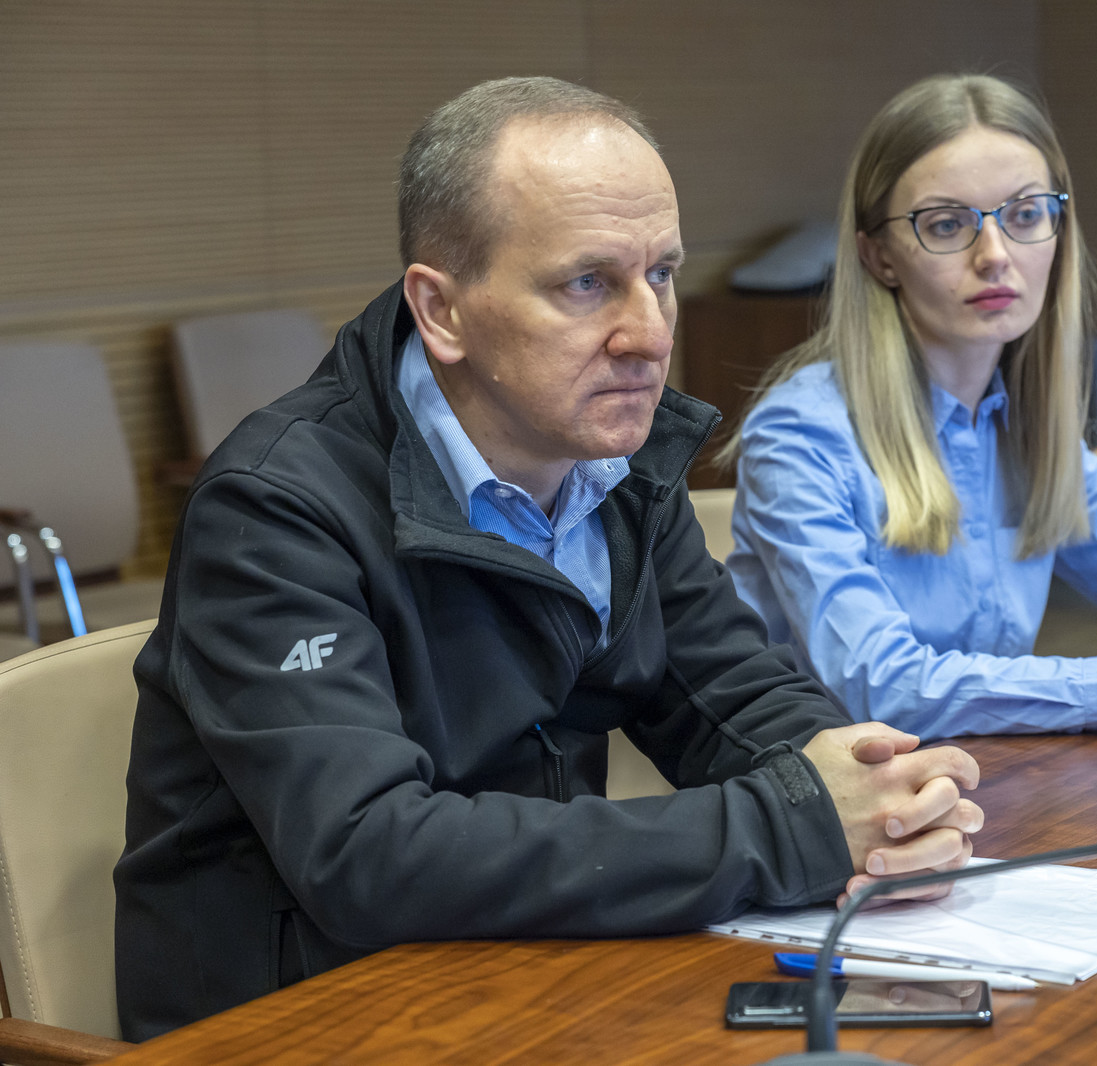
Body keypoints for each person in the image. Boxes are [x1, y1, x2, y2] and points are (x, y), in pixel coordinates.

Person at [113, 77, 983, 1041]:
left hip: (522, 979)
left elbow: (727, 693)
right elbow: (369, 854)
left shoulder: (610, 461)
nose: (649, 334)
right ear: (441, 311)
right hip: (298, 1025)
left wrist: (878, 795)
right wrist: (796, 824)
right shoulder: (274, 507)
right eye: (587, 284)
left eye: (661, 274)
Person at [724, 74, 1097, 740]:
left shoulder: (1017, 420)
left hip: (986, 777)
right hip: (831, 791)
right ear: (879, 257)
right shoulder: (802, 434)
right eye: (947, 224)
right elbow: (882, 685)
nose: (995, 255)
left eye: (1025, 214)